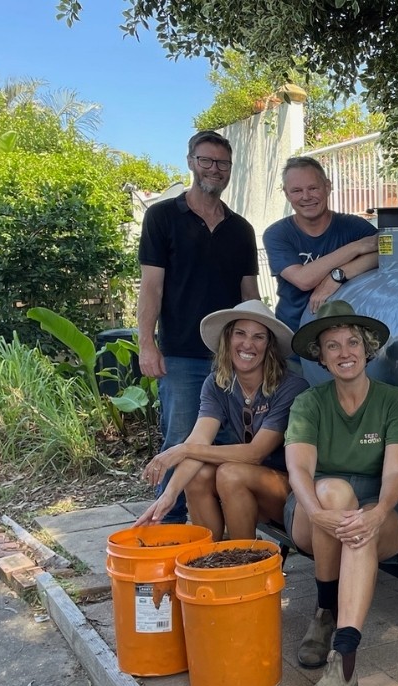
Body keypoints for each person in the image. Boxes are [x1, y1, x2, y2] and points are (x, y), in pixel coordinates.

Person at [283, 299, 398, 686]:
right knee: (337, 495)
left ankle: (342, 662)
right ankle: (325, 611)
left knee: (361, 524)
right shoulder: (310, 403)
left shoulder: (395, 401)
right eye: (333, 345)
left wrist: (378, 513)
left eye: (353, 342)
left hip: (380, 511)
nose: (345, 352)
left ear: (367, 348)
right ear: (320, 357)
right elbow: (299, 467)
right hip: (313, 512)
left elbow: (397, 471)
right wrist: (315, 510)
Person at [138, 130, 260, 523]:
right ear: (191, 162)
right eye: (206, 160)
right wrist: (147, 344)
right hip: (182, 355)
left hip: (233, 358)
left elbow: (249, 294)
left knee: (228, 444)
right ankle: (167, 531)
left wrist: (257, 347)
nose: (214, 169)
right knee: (180, 443)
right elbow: (151, 288)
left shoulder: (241, 229)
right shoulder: (162, 217)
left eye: (222, 163)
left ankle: (219, 535)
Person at [134, 301, 309, 541]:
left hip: (290, 495)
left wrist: (182, 449)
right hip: (242, 489)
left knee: (230, 473)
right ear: (227, 339)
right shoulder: (217, 383)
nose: (248, 344)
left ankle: (242, 563)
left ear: (269, 346)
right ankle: (210, 556)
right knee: (198, 474)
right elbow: (200, 439)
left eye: (258, 337)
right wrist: (169, 495)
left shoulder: (291, 386)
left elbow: (255, 454)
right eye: (240, 334)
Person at [262, 156, 380, 337]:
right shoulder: (277, 234)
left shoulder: (353, 226)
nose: (306, 197)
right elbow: (303, 280)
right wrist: (356, 247)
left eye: (313, 188)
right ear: (287, 195)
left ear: (327, 187)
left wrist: (339, 275)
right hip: (293, 341)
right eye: (296, 190)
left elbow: (389, 251)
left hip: (345, 340)